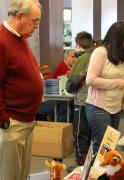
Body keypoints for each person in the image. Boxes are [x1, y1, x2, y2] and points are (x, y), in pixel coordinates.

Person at [0, 0, 43, 180]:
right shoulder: (2, 41)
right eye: (34, 21)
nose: (36, 27)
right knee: (9, 176)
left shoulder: (20, 39)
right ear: (19, 16)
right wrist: (4, 118)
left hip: (26, 121)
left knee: (21, 175)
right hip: (12, 124)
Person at [85, 22, 124, 154]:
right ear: (116, 38)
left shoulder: (118, 54)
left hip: (115, 108)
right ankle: (96, 175)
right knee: (102, 148)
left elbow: (123, 84)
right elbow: (90, 80)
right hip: (98, 108)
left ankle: (106, 174)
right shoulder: (100, 52)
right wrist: (117, 83)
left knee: (110, 147)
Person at [66, 31, 93, 173]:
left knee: (79, 134)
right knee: (90, 134)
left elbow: (73, 82)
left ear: (77, 44)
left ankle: (81, 167)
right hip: (94, 101)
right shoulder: (96, 55)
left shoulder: (83, 58)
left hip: (82, 100)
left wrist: (69, 84)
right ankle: (88, 165)